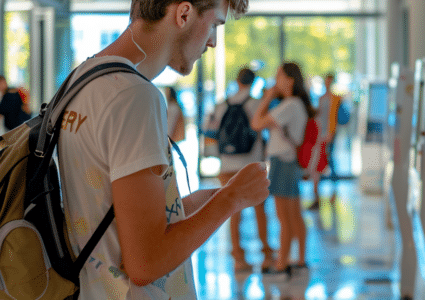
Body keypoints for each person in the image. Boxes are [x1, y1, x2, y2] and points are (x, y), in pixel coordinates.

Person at [56, 0, 270, 298]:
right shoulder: (134, 96)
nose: (213, 42)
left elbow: (106, 214)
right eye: (215, 24)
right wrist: (233, 199)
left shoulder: (82, 79)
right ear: (183, 13)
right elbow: (145, 263)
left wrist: (192, 205)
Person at [207, 67, 273, 273]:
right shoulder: (256, 104)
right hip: (250, 164)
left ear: (237, 80)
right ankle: (266, 256)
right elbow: (263, 130)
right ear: (254, 82)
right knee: (260, 210)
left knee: (233, 211)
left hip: (226, 164)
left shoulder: (221, 105)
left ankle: (238, 258)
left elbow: (210, 132)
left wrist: (217, 157)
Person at [251, 62, 314, 276]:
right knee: (294, 214)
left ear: (290, 80)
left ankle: (282, 262)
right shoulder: (295, 104)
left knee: (284, 216)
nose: (275, 79)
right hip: (289, 161)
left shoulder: (289, 105)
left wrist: (268, 97)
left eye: (279, 75)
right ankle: (300, 259)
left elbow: (256, 123)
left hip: (282, 161)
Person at [308, 72, 341, 210]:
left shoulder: (336, 99)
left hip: (329, 135)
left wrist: (331, 134)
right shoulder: (321, 98)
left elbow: (336, 118)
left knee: (329, 162)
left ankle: (333, 193)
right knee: (317, 164)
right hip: (320, 135)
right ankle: (317, 196)